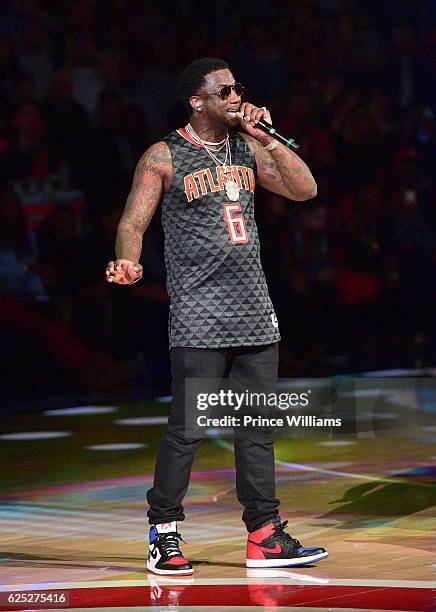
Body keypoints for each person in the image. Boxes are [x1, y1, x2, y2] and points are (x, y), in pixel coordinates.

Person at [106, 58, 328, 575]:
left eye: (238, 89)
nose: (235, 97)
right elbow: (132, 222)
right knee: (189, 427)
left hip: (254, 308)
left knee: (257, 426)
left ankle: (265, 536)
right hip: (199, 313)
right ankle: (163, 532)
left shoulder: (248, 146)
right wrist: (128, 259)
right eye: (224, 91)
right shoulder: (163, 156)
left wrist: (267, 137)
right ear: (197, 101)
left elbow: (305, 189)